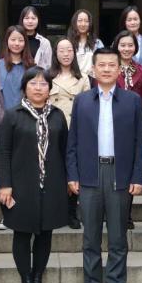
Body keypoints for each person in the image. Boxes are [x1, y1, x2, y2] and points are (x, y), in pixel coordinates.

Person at [67, 48, 142, 283]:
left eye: (112, 65)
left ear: (119, 69)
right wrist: (73, 174)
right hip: (89, 173)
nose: (107, 69)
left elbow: (140, 142)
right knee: (90, 236)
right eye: (102, 65)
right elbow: (73, 141)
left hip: (119, 173)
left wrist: (137, 176)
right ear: (93, 69)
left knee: (118, 236)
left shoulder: (132, 100)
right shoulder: (82, 101)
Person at [0, 67, 69, 283]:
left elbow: (65, 150)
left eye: (43, 84)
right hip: (21, 185)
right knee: (22, 234)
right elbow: (4, 152)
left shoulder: (57, 115)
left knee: (45, 234)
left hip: (52, 184)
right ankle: (26, 282)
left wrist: (68, 181)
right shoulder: (13, 115)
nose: (38, 88)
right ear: (24, 87)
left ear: (50, 89)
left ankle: (38, 280)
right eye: (33, 83)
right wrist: (5, 184)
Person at [48, 38, 90, 229]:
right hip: (52, 129)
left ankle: (72, 212)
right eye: (61, 50)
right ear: (55, 53)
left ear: (74, 53)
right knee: (54, 169)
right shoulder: (48, 76)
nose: (65, 54)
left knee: (73, 169)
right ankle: (55, 210)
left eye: (69, 50)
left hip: (75, 129)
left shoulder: (83, 78)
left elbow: (88, 107)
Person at [0, 25, 35, 125]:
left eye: (20, 40)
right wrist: (3, 120)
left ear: (25, 43)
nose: (16, 43)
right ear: (7, 41)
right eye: (13, 40)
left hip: (27, 122)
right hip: (3, 122)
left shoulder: (32, 68)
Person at [111, 30, 142, 108]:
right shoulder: (109, 70)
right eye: (123, 45)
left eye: (130, 45)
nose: (127, 49)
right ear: (117, 46)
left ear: (135, 47)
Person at [66, 9, 104, 78]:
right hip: (72, 79)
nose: (83, 24)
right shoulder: (68, 42)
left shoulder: (97, 43)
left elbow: (103, 62)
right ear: (74, 23)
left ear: (90, 24)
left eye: (86, 21)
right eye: (80, 20)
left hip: (92, 80)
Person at [19, 5, 52, 70]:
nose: (30, 21)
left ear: (38, 20)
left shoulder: (44, 42)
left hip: (38, 75)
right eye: (27, 18)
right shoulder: (16, 40)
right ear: (22, 20)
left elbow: (49, 65)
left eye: (33, 18)